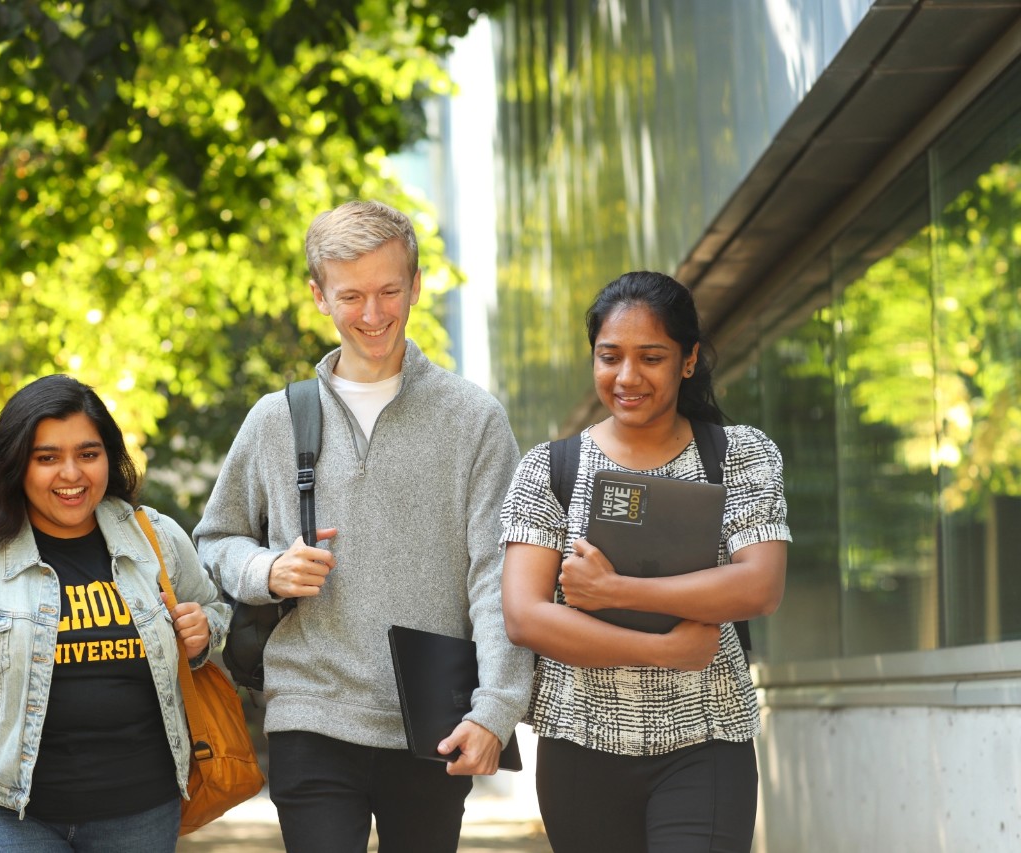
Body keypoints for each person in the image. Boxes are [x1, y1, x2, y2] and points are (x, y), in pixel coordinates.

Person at [194, 199, 533, 853]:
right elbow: (215, 538)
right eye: (352, 296)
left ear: (415, 285)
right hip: (310, 710)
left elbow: (498, 574)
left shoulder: (474, 419)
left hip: (434, 714)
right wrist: (267, 569)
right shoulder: (276, 419)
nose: (373, 314)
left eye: (389, 291)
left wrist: (496, 707)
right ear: (318, 295)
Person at [499, 271, 791, 853]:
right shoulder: (548, 469)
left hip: (708, 741)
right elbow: (525, 618)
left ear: (688, 361)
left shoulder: (741, 455)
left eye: (651, 357)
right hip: (579, 745)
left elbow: (759, 585)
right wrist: (662, 650)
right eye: (610, 357)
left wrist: (615, 589)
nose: (627, 377)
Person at [0, 374, 229, 852]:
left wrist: (203, 629)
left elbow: (212, 610)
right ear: (17, 464)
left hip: (140, 810)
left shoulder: (157, 540)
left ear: (110, 457)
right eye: (48, 458)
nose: (72, 474)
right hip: (3, 812)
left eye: (88, 454)